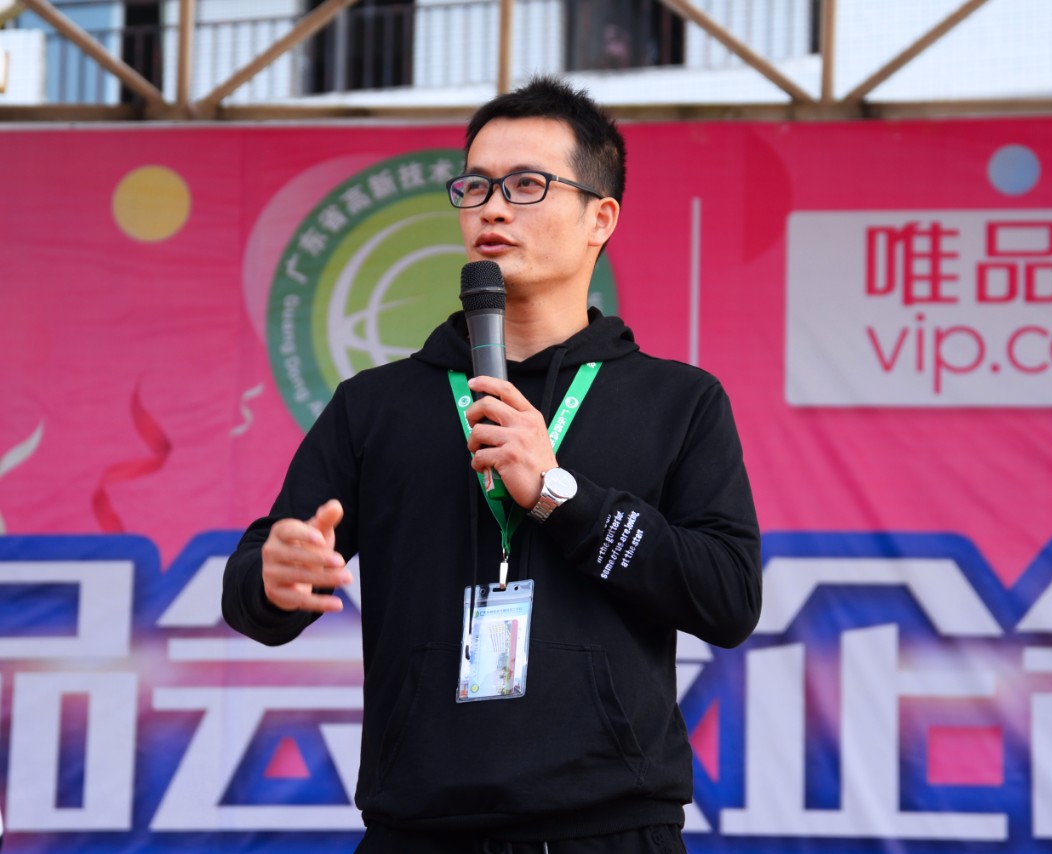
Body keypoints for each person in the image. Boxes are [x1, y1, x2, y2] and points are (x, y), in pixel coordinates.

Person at [222, 76, 762, 853]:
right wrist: (274, 579)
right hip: (419, 830)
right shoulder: (377, 405)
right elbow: (257, 589)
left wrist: (562, 495)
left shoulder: (677, 401)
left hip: (612, 828)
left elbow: (728, 597)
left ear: (600, 218)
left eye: (527, 185)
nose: (493, 209)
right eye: (475, 186)